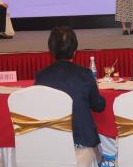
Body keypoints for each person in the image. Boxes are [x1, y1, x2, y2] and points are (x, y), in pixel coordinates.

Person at [35, 27, 106, 164]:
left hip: (51, 141)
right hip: (82, 141)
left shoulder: (41, 76)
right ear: (74, 50)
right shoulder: (85, 74)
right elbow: (99, 106)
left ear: (51, 50)